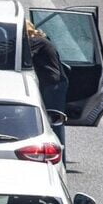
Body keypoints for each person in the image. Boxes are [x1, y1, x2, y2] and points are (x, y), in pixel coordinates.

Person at [26, 20, 69, 156]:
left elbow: (22, 53)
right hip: (53, 83)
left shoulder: (36, 41)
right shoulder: (40, 40)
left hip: (53, 84)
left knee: (54, 121)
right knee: (50, 120)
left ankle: (59, 158)